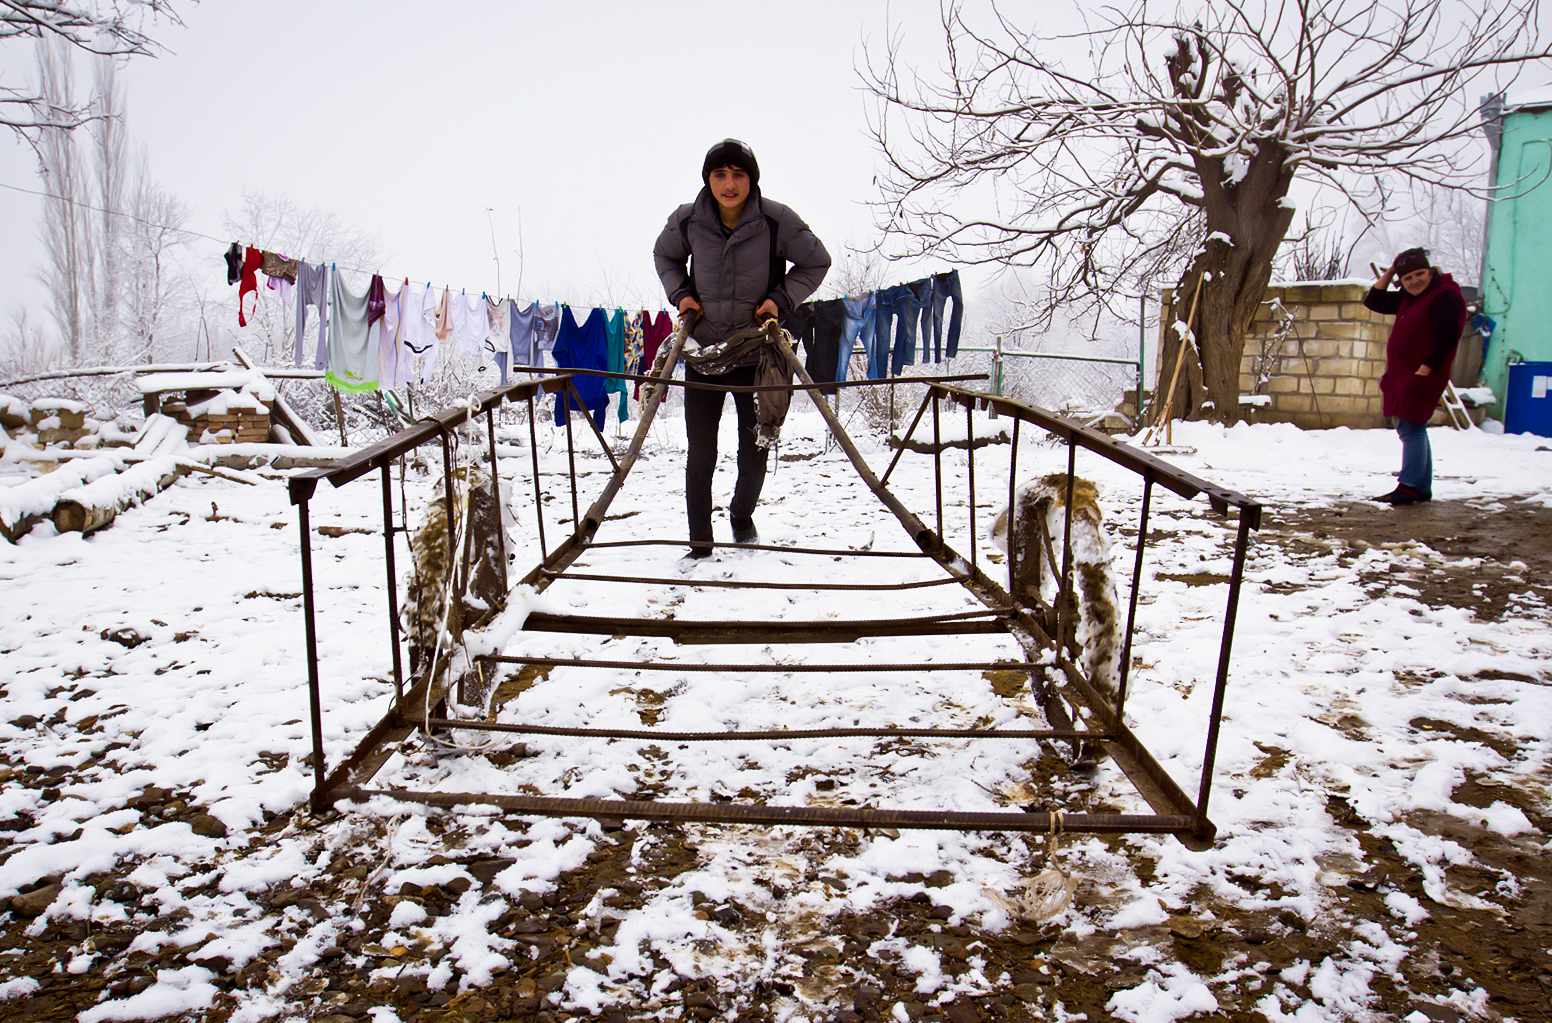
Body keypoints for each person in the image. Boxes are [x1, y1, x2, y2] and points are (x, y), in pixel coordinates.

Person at [653, 139, 831, 558]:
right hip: (705, 355)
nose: (729, 184)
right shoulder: (688, 221)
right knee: (701, 455)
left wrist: (780, 300)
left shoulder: (776, 221)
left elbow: (816, 261)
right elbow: (665, 256)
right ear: (708, 179)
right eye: (720, 174)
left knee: (753, 455)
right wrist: (682, 295)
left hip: (756, 355)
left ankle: (740, 514)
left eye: (738, 174)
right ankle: (699, 546)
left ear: (751, 179)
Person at [1363, 246, 1467, 506]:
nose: (1414, 281)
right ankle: (1421, 487)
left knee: (1410, 428)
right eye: (1407, 278)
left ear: (1431, 272)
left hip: (1422, 373)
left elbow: (1447, 337)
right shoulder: (1410, 298)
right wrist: (1392, 270)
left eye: (1419, 273)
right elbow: (1373, 300)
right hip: (1405, 373)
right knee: (1414, 427)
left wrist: (1425, 369)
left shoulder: (1444, 297)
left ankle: (1408, 487)